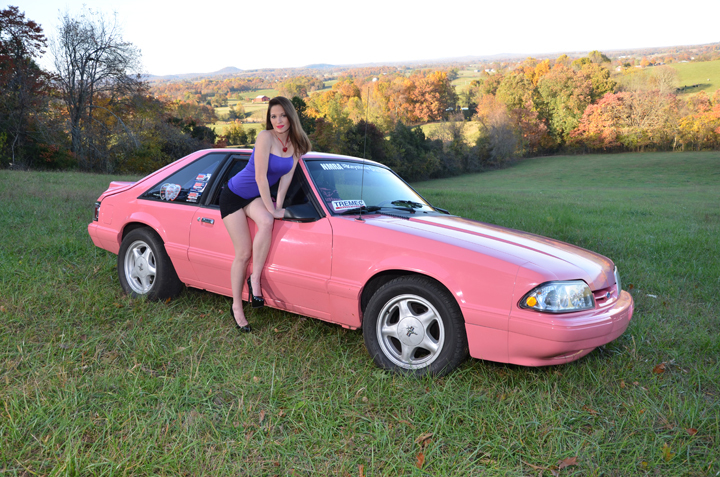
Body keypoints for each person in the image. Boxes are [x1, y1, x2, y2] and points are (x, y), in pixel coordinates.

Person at [219, 96, 311, 332]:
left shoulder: (296, 145)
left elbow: (286, 179)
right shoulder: (265, 137)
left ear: (291, 117)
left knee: (268, 221)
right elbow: (260, 177)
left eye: (282, 115)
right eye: (273, 116)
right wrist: (272, 208)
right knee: (243, 252)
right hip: (234, 194)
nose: (278, 120)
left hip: (255, 197)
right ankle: (236, 306)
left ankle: (255, 279)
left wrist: (277, 207)